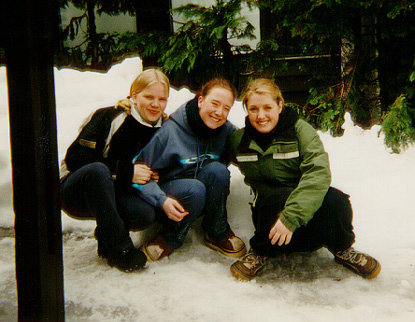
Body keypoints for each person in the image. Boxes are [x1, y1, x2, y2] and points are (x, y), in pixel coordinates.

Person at [228, 78, 381, 281]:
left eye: (267, 107)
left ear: (280, 105)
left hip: (303, 222)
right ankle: (260, 252)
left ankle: (342, 248)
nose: (261, 115)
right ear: (246, 109)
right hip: (270, 226)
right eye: (254, 109)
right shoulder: (238, 141)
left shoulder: (301, 131)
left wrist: (291, 218)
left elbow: (318, 173)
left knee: (337, 200)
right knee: (276, 196)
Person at [60, 68, 170, 272]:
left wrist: (156, 173)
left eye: (162, 99)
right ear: (134, 96)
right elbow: (76, 158)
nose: (156, 104)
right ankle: (121, 248)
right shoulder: (110, 116)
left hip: (112, 191)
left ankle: (106, 234)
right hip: (75, 189)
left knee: (144, 214)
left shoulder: (165, 126)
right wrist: (127, 172)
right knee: (98, 171)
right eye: (148, 97)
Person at [131, 78, 247, 261]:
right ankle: (170, 237)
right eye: (215, 104)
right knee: (195, 189)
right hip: (170, 200)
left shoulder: (226, 131)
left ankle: (216, 231)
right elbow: (138, 175)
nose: (219, 112)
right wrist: (161, 200)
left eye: (226, 108)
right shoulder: (170, 132)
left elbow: (247, 150)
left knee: (218, 170)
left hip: (200, 196)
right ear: (200, 100)